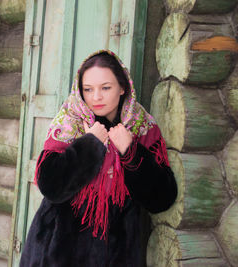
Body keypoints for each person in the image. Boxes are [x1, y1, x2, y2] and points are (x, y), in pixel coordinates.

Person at [19, 50, 178, 267]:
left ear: (123, 87)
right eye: (88, 89)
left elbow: (162, 198)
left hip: (118, 251)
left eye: (105, 87)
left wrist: (130, 151)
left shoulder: (142, 127)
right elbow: (50, 185)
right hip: (58, 249)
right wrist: (90, 144)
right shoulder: (70, 122)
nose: (96, 97)